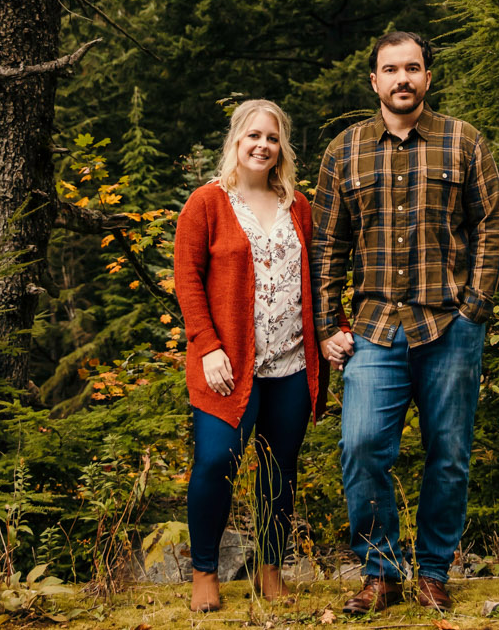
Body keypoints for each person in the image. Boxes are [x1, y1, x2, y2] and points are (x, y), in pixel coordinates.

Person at [312, 31, 499, 614]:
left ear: (427, 77)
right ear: (373, 80)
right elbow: (327, 245)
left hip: (450, 326)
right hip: (374, 327)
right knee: (362, 443)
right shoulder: (343, 152)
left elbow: (490, 230)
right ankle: (381, 571)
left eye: (412, 68)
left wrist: (473, 310)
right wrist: (327, 326)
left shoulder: (463, 141)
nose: (402, 79)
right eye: (390, 69)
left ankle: (435, 571)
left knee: (448, 452)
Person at [172, 98, 325, 613]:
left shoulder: (297, 205)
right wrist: (207, 345)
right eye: (254, 135)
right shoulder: (208, 202)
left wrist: (333, 331)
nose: (263, 145)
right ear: (236, 141)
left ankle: (269, 569)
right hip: (227, 367)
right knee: (216, 462)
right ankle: (204, 572)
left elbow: (318, 281)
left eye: (273, 137)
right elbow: (187, 280)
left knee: (279, 468)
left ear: (283, 148)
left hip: (292, 364)